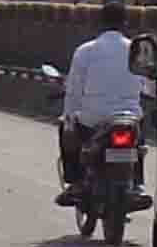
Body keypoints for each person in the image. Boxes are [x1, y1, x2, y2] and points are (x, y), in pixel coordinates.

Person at [55, 13, 148, 194]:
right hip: (129, 116)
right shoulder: (137, 51)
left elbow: (74, 89)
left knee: (65, 128)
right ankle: (137, 183)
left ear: (100, 24)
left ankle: (74, 181)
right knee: (138, 142)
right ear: (125, 25)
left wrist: (68, 119)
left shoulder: (85, 51)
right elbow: (147, 84)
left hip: (93, 118)